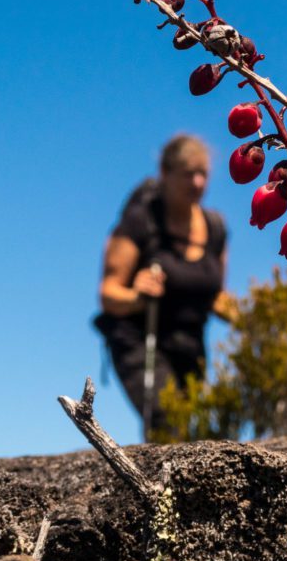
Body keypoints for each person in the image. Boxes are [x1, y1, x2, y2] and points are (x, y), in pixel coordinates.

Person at [96, 134, 230, 437]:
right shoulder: (140, 222)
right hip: (141, 341)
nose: (197, 182)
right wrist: (137, 296)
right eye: (187, 174)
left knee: (193, 433)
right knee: (165, 422)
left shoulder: (216, 228)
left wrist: (256, 317)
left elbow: (216, 293)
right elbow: (108, 294)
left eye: (203, 174)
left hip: (191, 345)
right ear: (165, 174)